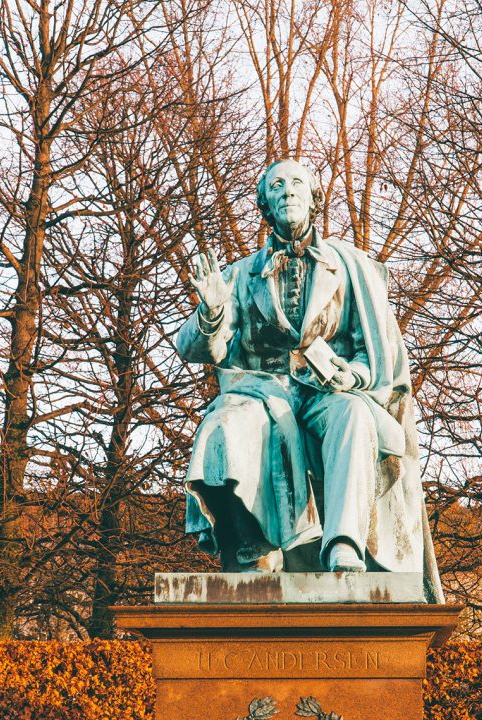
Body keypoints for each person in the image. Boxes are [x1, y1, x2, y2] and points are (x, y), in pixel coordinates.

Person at [176, 158, 443, 599]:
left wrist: (351, 374)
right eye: (276, 185)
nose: (287, 191)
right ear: (265, 203)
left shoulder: (349, 266)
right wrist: (211, 312)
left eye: (297, 182)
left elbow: (371, 350)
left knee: (355, 415)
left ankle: (343, 546)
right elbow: (193, 348)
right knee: (222, 425)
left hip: (329, 393)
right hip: (263, 392)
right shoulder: (241, 274)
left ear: (314, 197)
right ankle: (250, 551)